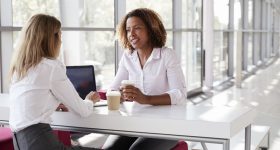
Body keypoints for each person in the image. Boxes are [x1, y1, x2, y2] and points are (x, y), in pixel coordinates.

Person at [9, 14, 101, 150]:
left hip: (20, 142)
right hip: (41, 142)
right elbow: (83, 111)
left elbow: (31, 102)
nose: (61, 41)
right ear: (52, 39)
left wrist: (53, 102)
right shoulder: (51, 67)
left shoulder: (19, 68)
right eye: (60, 35)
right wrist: (89, 100)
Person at [102, 8, 187, 150]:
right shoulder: (128, 56)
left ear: (151, 29)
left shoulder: (167, 55)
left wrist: (146, 99)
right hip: (134, 121)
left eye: (137, 28)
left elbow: (180, 94)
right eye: (128, 30)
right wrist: (120, 95)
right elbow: (113, 88)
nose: (131, 34)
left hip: (167, 125)